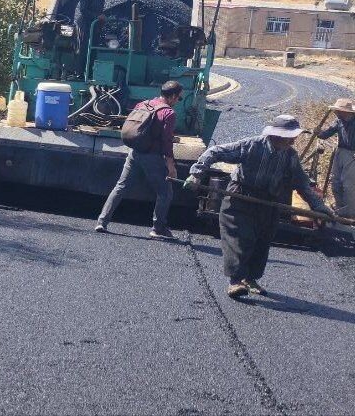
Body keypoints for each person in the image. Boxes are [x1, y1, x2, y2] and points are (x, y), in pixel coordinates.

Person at [186, 115, 334, 299]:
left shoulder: (290, 156)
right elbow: (214, 152)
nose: (294, 140)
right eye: (290, 136)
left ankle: (250, 278)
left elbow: (302, 183)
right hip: (240, 197)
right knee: (240, 238)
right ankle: (235, 281)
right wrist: (196, 174)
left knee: (262, 241)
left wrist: (318, 206)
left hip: (267, 202)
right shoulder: (252, 146)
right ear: (277, 136)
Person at [95, 80, 183, 238]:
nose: (178, 101)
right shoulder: (168, 113)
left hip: (134, 152)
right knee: (165, 192)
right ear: (173, 97)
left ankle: (102, 221)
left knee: (120, 187)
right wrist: (171, 166)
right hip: (152, 157)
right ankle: (158, 228)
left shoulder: (143, 104)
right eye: (178, 98)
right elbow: (166, 142)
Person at [317, 97, 355, 218]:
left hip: (352, 155)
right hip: (340, 152)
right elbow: (326, 134)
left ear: (347, 111)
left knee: (348, 185)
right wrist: (318, 132)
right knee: (336, 182)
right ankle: (340, 208)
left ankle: (350, 212)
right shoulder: (338, 121)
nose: (336, 112)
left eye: (338, 110)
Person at [74, 0, 112, 74]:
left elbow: (100, 9)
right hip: (85, 25)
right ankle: (80, 73)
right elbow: (83, 9)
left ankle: (91, 72)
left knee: (94, 49)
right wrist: (97, 16)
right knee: (84, 49)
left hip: (96, 26)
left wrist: (102, 18)